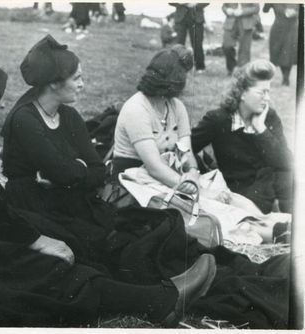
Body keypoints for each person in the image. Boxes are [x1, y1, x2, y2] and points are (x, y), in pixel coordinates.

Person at [0, 48, 218, 327]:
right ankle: (163, 301)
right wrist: (35, 240)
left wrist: (37, 232)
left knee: (64, 239)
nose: (0, 108)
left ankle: (148, 287)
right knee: (41, 271)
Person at [112, 45, 219, 199]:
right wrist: (197, 191)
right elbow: (154, 167)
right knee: (204, 205)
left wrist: (193, 173)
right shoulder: (136, 109)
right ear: (175, 82)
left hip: (167, 176)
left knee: (221, 198)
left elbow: (186, 152)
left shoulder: (176, 106)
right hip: (133, 179)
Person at [191, 60, 293, 214]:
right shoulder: (218, 120)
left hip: (274, 187)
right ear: (242, 93)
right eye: (261, 92)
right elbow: (187, 146)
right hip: (244, 195)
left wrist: (261, 129)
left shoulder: (269, 117)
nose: (267, 98)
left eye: (268, 92)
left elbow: (286, 163)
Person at [263, 4, 299, 86]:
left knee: (288, 53)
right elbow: (265, 10)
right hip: (277, 28)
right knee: (275, 53)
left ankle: (286, 78)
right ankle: (271, 77)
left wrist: (295, 13)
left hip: (292, 29)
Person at [222, 3, 260, 76]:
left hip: (246, 23)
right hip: (230, 22)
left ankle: (242, 71)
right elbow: (224, 6)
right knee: (227, 46)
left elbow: (256, 8)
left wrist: (242, 11)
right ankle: (231, 68)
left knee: (244, 49)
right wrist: (227, 10)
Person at [169, 3, 209, 72]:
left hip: (197, 17)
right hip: (181, 17)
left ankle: (200, 67)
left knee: (197, 43)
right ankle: (176, 67)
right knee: (178, 44)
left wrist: (196, 3)